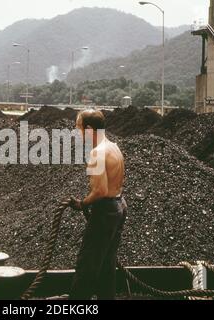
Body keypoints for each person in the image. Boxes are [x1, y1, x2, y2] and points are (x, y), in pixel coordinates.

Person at [62, 109, 127, 300]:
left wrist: (82, 204)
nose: (76, 130)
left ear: (89, 129)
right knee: (106, 265)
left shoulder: (97, 153)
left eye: (78, 126)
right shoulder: (113, 147)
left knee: (87, 265)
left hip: (105, 210)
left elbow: (100, 190)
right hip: (118, 206)